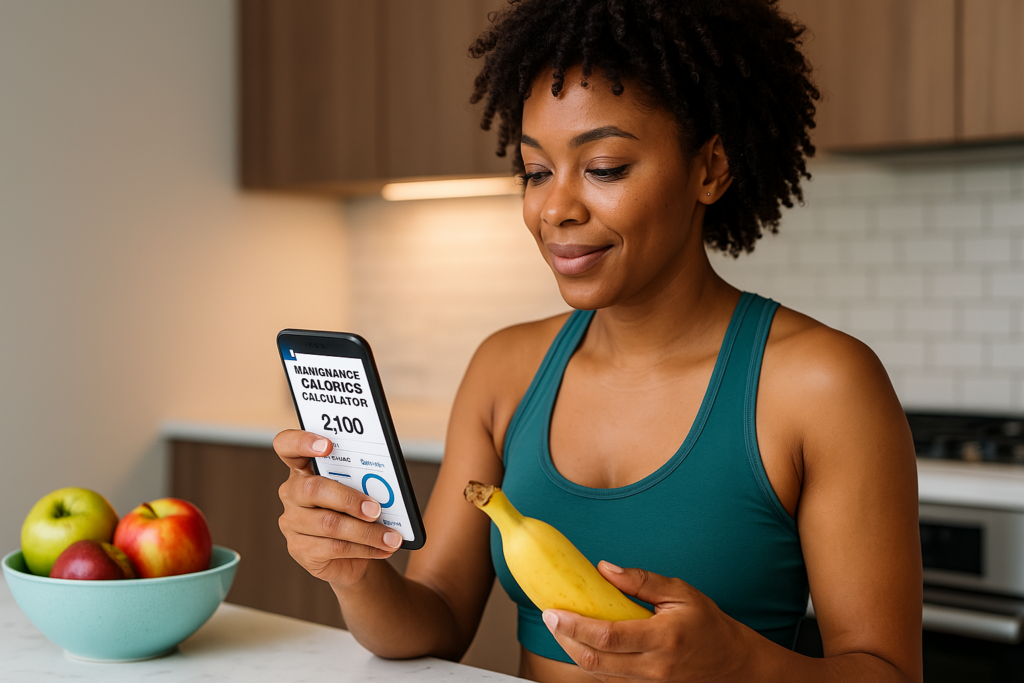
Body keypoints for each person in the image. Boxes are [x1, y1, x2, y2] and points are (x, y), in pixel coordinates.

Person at [273, 1, 923, 681]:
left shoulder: (824, 384)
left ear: (711, 168)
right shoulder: (505, 369)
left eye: (605, 166)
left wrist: (741, 662)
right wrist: (353, 567)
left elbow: (890, 672)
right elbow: (431, 621)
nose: (556, 208)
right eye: (535, 171)